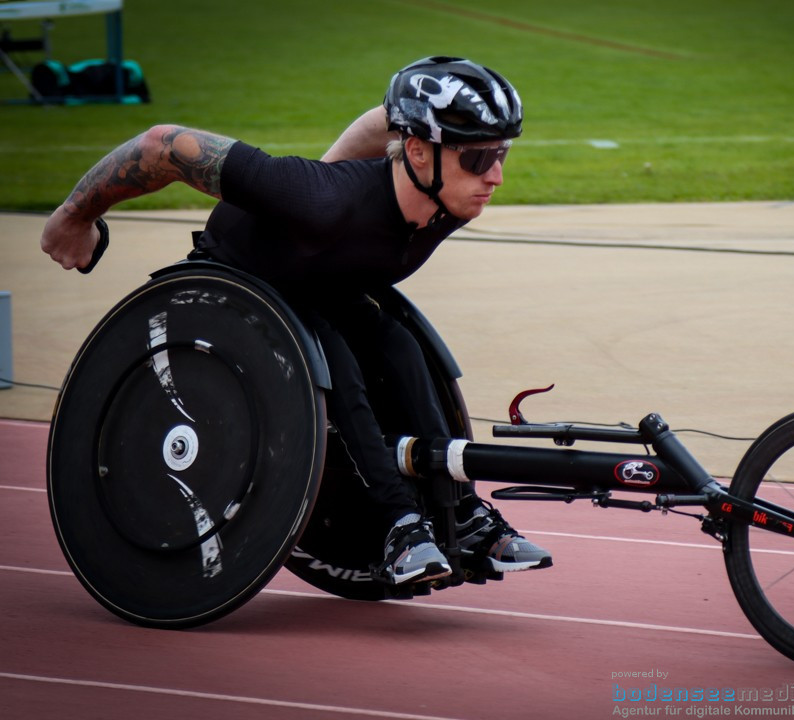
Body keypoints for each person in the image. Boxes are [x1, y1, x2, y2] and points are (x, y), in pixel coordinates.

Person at [40, 56, 553, 586]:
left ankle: (465, 513)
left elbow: (387, 120)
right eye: (478, 158)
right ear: (419, 153)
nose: (495, 175)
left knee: (399, 347)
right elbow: (163, 145)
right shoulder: (314, 198)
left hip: (325, 282)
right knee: (340, 363)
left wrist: (330, 165)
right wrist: (75, 215)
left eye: (501, 153)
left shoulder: (446, 196)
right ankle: (399, 522)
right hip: (238, 286)